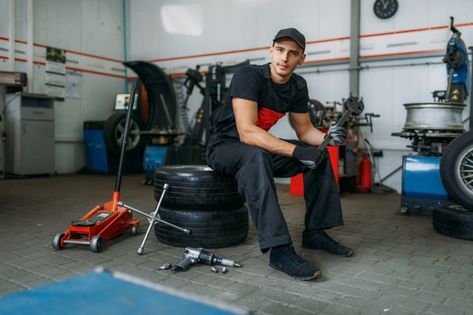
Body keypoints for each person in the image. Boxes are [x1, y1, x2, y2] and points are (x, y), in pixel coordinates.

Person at [206, 28, 352, 281]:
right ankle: (278, 249)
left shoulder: (298, 86)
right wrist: (296, 152)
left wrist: (329, 137)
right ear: (271, 50)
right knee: (256, 156)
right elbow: (247, 133)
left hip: (254, 147)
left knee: (319, 156)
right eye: (280, 50)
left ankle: (315, 232)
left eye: (293, 53)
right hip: (224, 147)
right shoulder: (248, 76)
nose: (285, 58)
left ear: (301, 59)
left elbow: (305, 130)